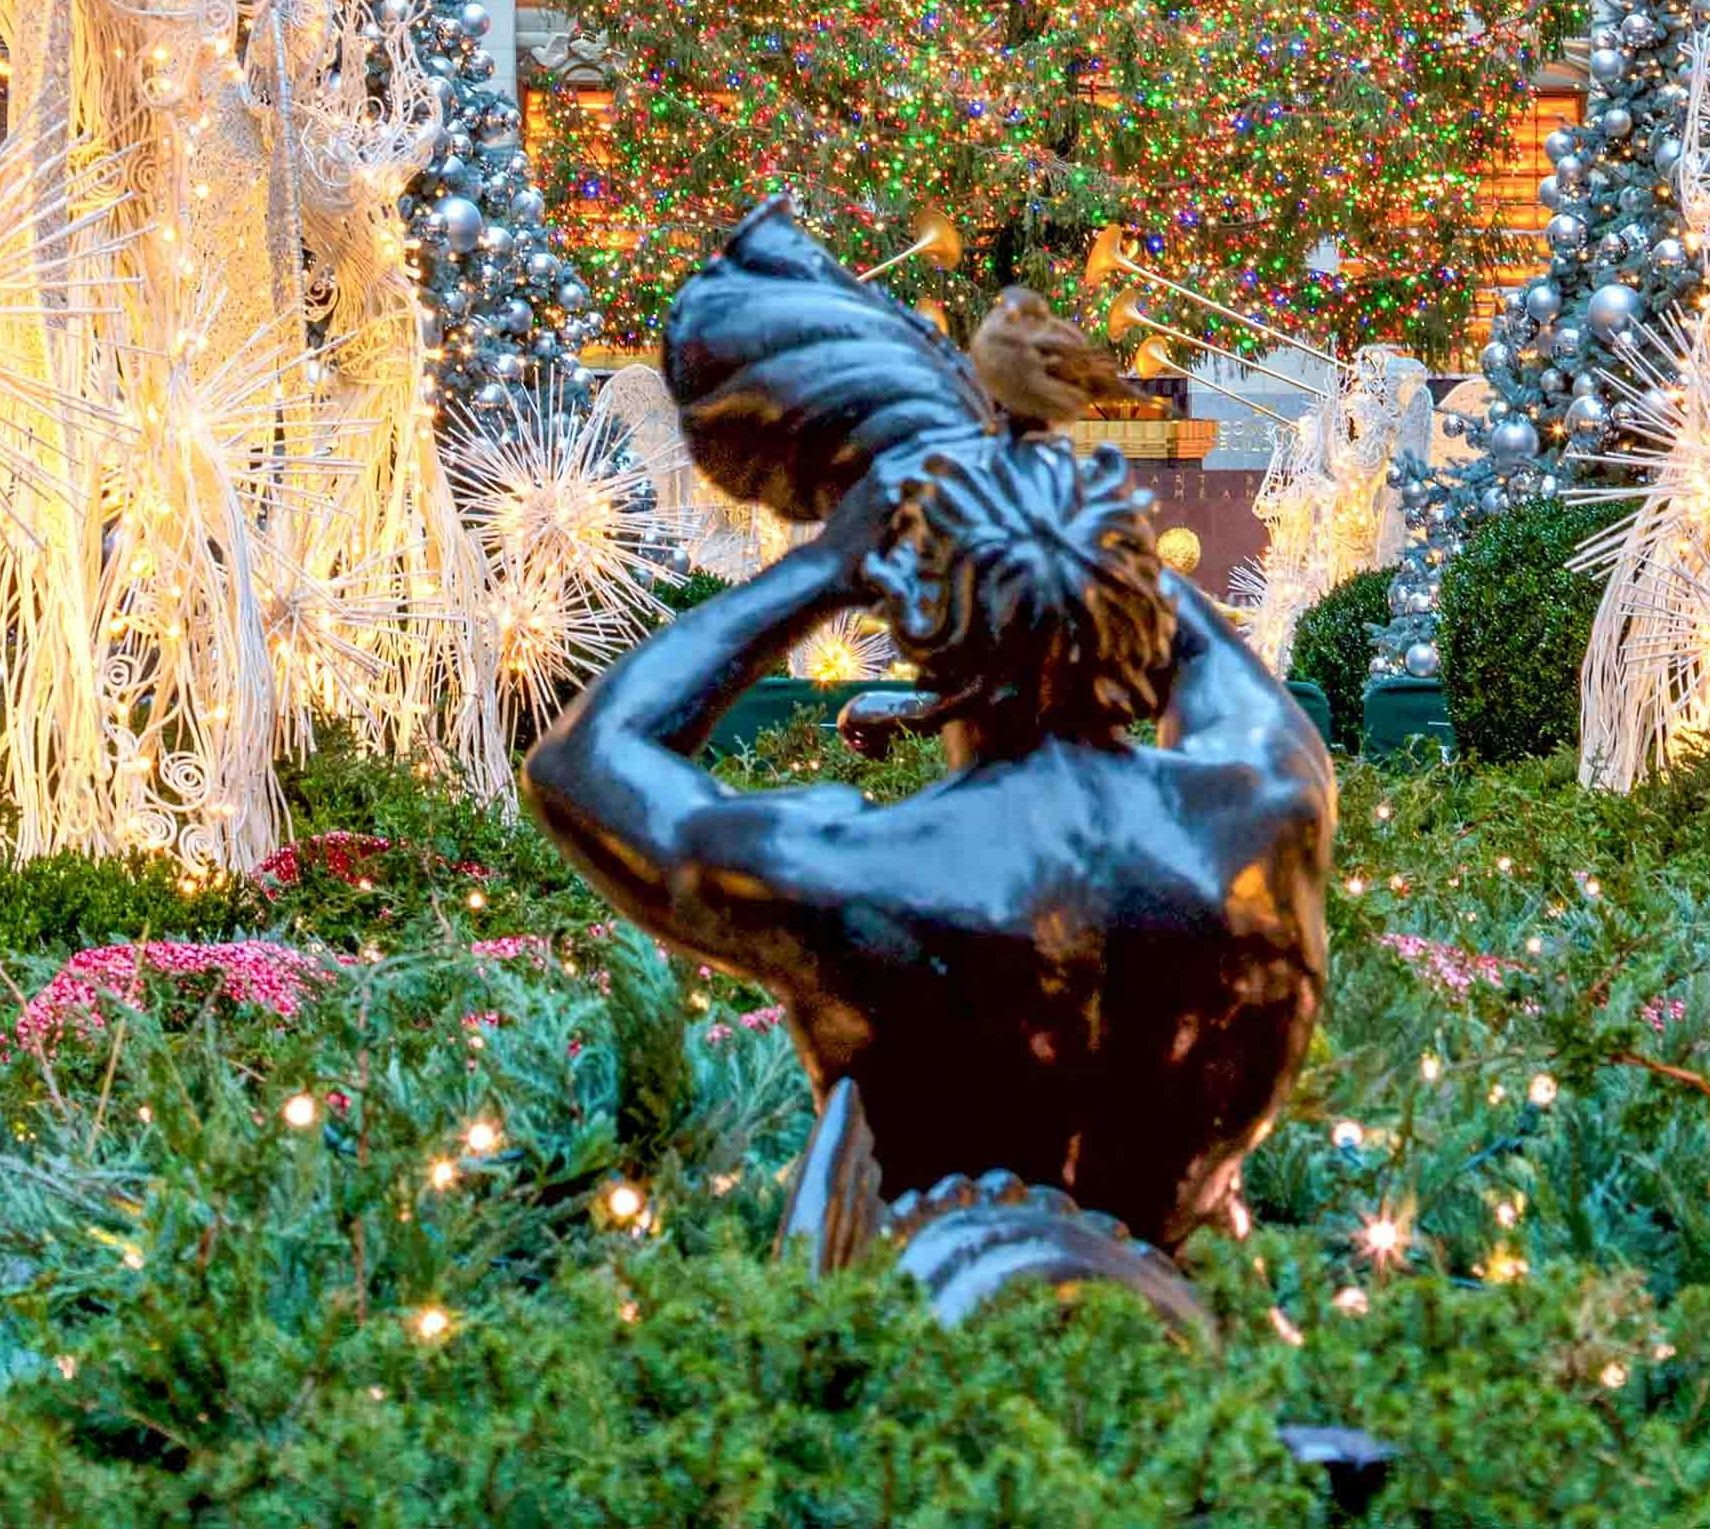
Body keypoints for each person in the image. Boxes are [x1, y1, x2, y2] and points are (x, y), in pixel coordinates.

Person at [525, 276, 1332, 1254]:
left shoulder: (856, 874)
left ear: (918, 623)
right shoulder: (1262, 817)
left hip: (915, 1362)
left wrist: (826, 564)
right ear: (1132, 585)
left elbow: (587, 756)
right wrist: (1079, 529)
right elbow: (1209, 662)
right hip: (1182, 1359)